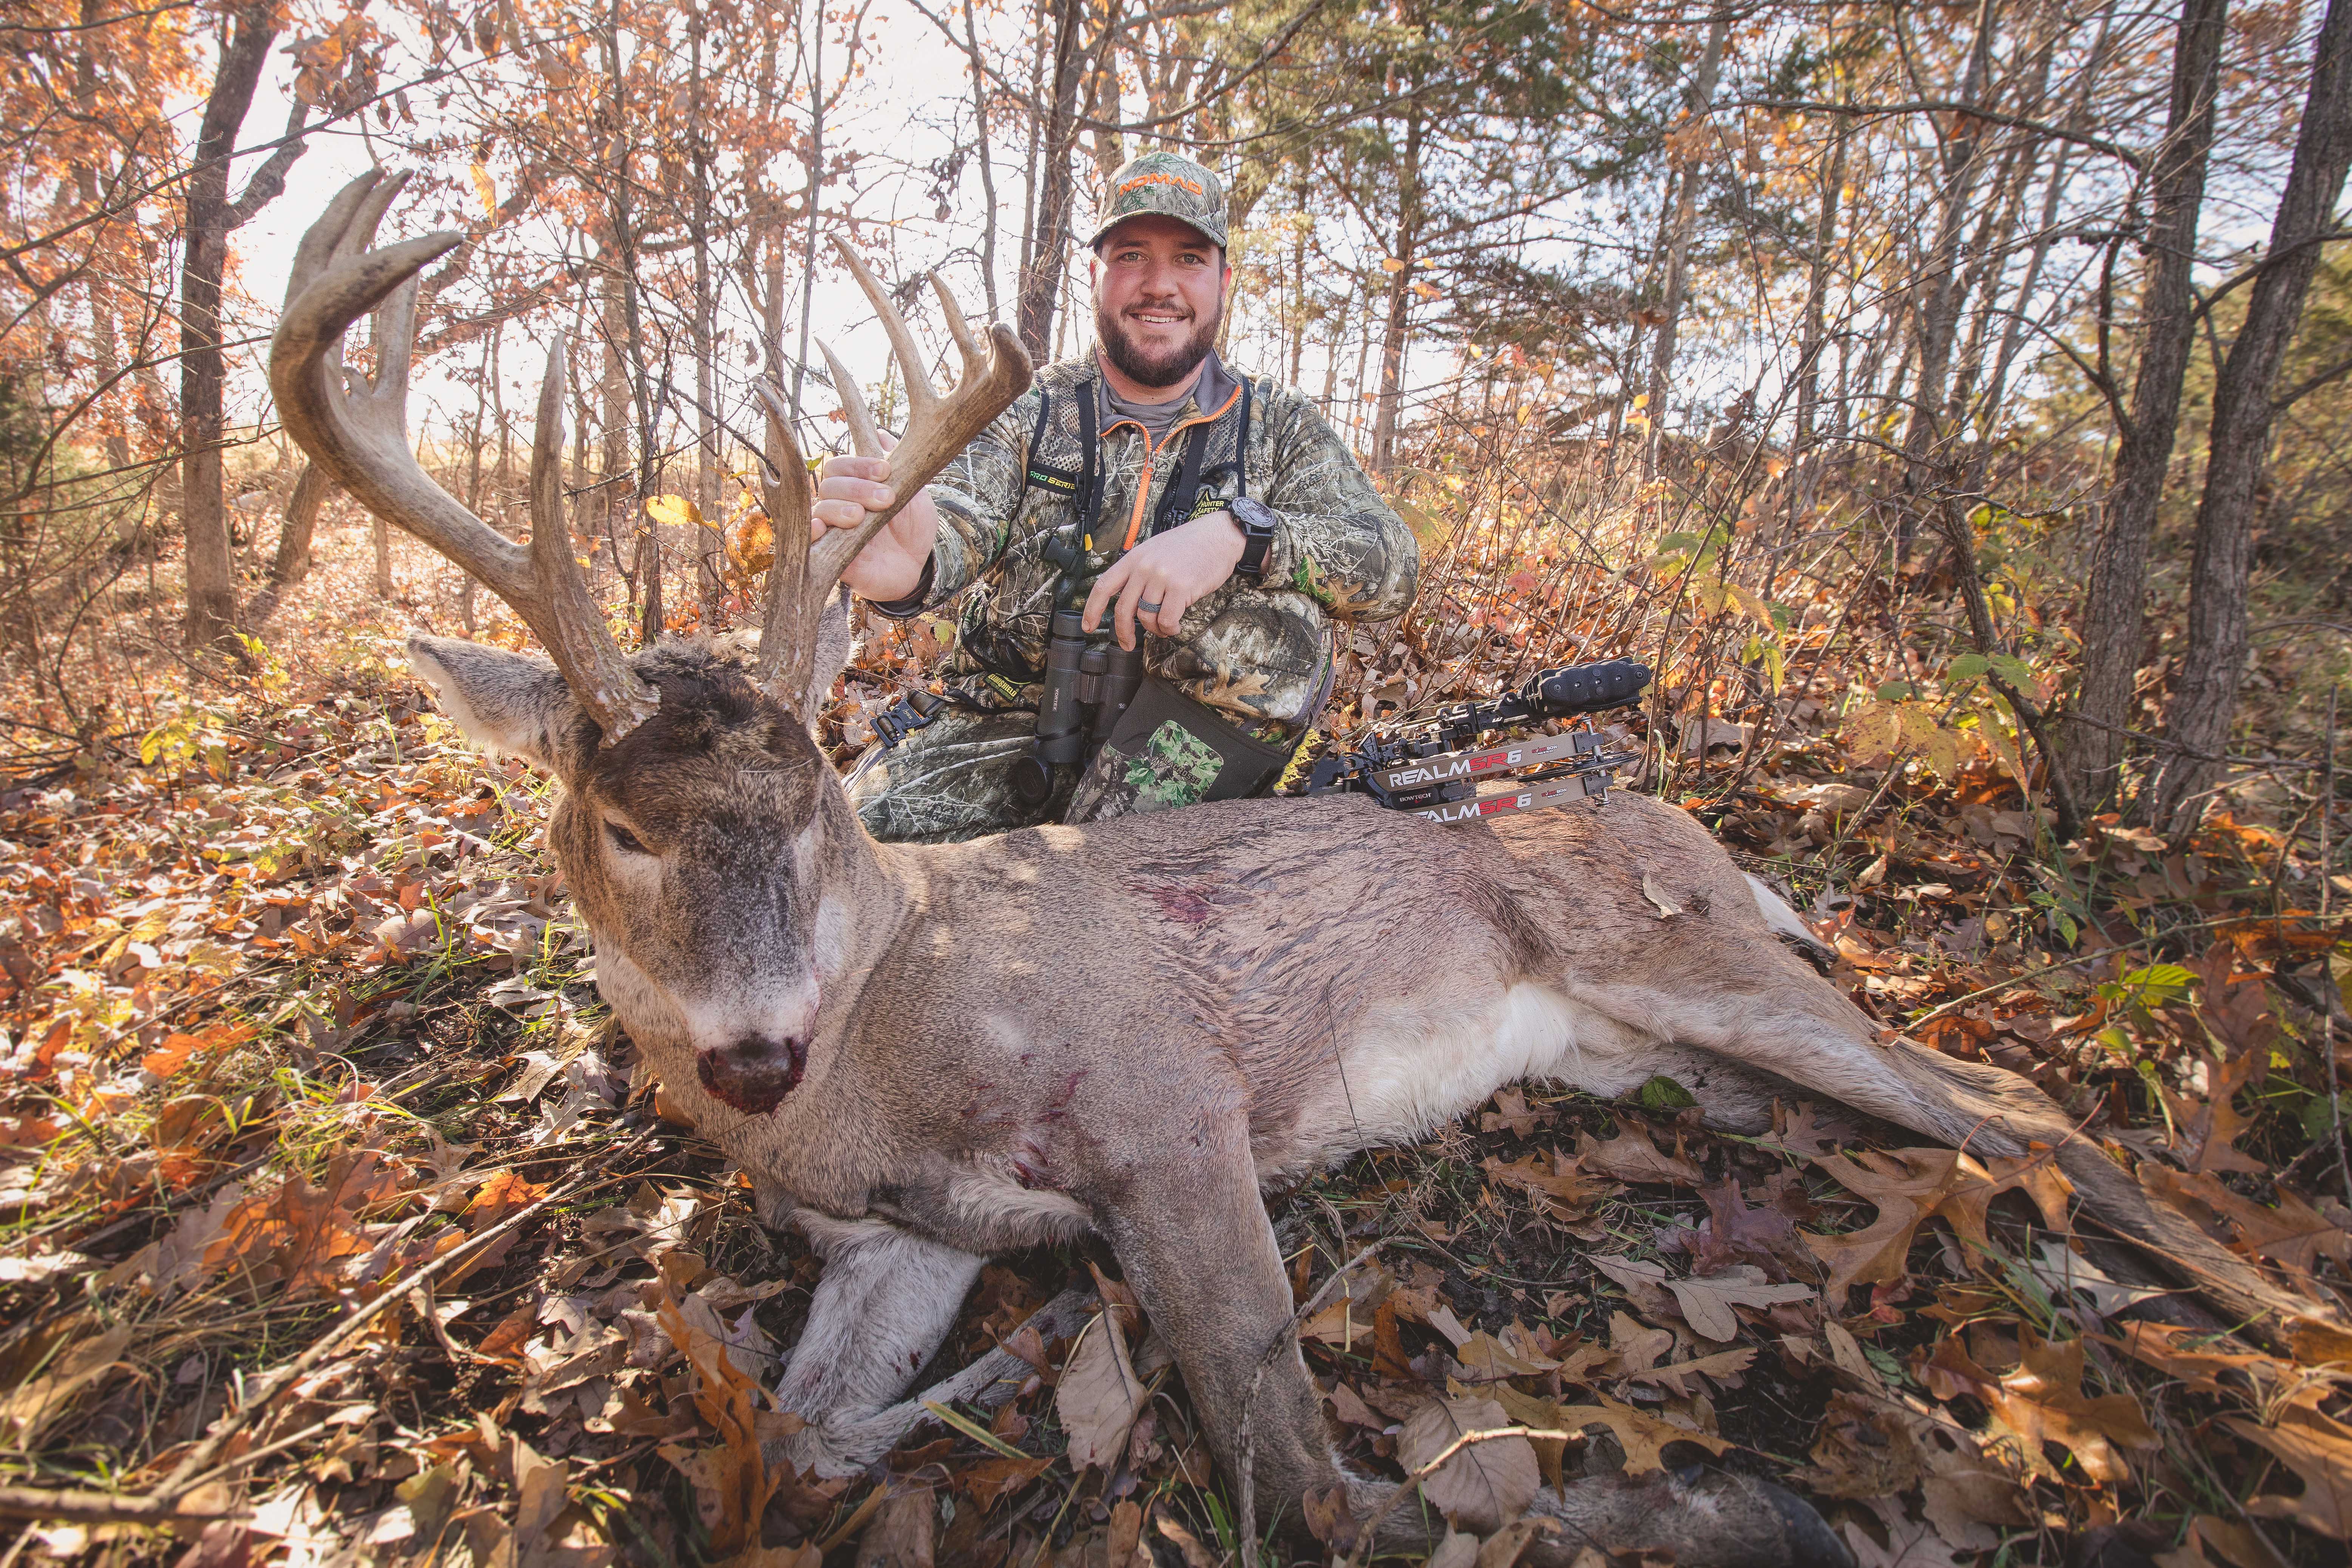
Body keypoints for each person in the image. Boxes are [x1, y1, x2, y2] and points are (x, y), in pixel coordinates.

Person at [812, 151, 1418, 843]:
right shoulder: (1027, 407)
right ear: (1095, 273)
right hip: (1006, 730)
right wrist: (911, 559)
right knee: (837, 874)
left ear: (1223, 280)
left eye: (1188, 259)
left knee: (1280, 622)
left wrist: (1238, 535)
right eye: (1132, 255)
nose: (1159, 285)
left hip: (1183, 759)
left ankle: (1110, 870)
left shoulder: (1275, 425)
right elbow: (951, 522)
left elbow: (1391, 562)